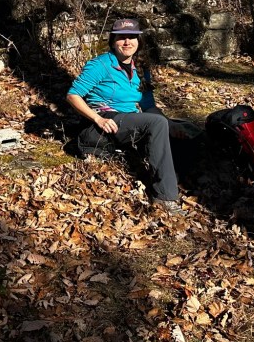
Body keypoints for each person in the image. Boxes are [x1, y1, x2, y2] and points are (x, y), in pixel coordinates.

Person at [67, 17, 182, 215]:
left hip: (128, 121)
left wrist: (171, 124)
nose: (127, 42)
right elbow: (73, 95)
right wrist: (98, 119)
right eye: (121, 37)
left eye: (132, 37)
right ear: (113, 41)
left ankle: (184, 179)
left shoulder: (141, 69)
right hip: (102, 124)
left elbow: (148, 106)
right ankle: (164, 197)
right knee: (157, 123)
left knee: (184, 129)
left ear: (139, 41)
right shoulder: (101, 65)